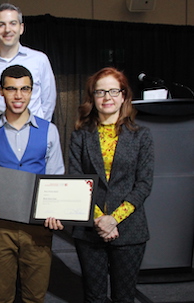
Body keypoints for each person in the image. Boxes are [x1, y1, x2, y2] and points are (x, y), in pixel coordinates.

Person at [0, 65, 64, 303]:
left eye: (24, 89)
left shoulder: (49, 131)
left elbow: (56, 178)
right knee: (1, 296)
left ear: (32, 91)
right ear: (1, 91)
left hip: (37, 227)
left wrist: (56, 212)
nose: (18, 95)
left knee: (34, 297)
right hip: (0, 226)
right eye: (12, 89)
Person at [69, 67, 154, 303]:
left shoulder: (141, 136)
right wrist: (99, 220)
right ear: (92, 97)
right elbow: (77, 181)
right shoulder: (80, 136)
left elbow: (144, 184)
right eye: (100, 92)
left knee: (124, 297)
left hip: (129, 229)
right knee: (94, 296)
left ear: (124, 96)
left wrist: (113, 219)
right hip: (89, 228)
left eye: (114, 91)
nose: (107, 97)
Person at [0, 3, 56, 122]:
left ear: (21, 28)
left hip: (34, 134)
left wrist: (39, 130)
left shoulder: (40, 60)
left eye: (13, 23)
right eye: (1, 25)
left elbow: (48, 102)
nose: (7, 30)